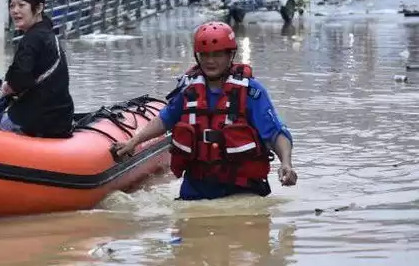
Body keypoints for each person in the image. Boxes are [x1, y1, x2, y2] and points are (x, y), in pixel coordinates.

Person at [112, 22, 297, 200]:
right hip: (196, 189)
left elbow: (276, 133)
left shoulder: (250, 91)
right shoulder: (188, 91)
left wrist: (286, 164)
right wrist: (133, 141)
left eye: (217, 55)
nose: (210, 61)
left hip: (243, 190)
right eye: (205, 55)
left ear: (230, 55)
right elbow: (164, 120)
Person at [0, 0, 74, 138]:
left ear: (38, 8)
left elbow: (19, 78)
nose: (15, 11)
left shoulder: (33, 38)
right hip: (61, 119)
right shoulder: (48, 34)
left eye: (21, 5)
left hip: (35, 120)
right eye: (12, 6)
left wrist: (8, 86)